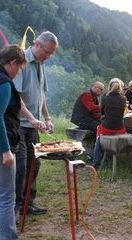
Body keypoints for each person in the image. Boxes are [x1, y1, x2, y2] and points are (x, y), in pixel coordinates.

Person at [14, 31, 59, 217]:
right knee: (21, 166)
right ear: (37, 44)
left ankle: (28, 203)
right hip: (18, 124)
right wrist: (32, 119)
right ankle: (15, 208)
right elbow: (15, 96)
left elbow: (41, 95)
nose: (48, 57)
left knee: (35, 163)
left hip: (33, 126)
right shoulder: (21, 60)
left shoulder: (41, 65)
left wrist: (46, 118)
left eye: (51, 54)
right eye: (46, 52)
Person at [0, 45, 43, 239]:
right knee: (7, 197)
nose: (18, 72)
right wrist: (6, 151)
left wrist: (33, 119)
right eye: (18, 67)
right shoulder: (4, 83)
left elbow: (17, 102)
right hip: (5, 143)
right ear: (11, 63)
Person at [92, 78, 126, 168]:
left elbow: (101, 112)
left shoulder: (105, 98)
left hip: (107, 129)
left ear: (110, 87)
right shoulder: (123, 99)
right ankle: (109, 159)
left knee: (98, 141)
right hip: (120, 130)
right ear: (120, 88)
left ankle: (96, 164)